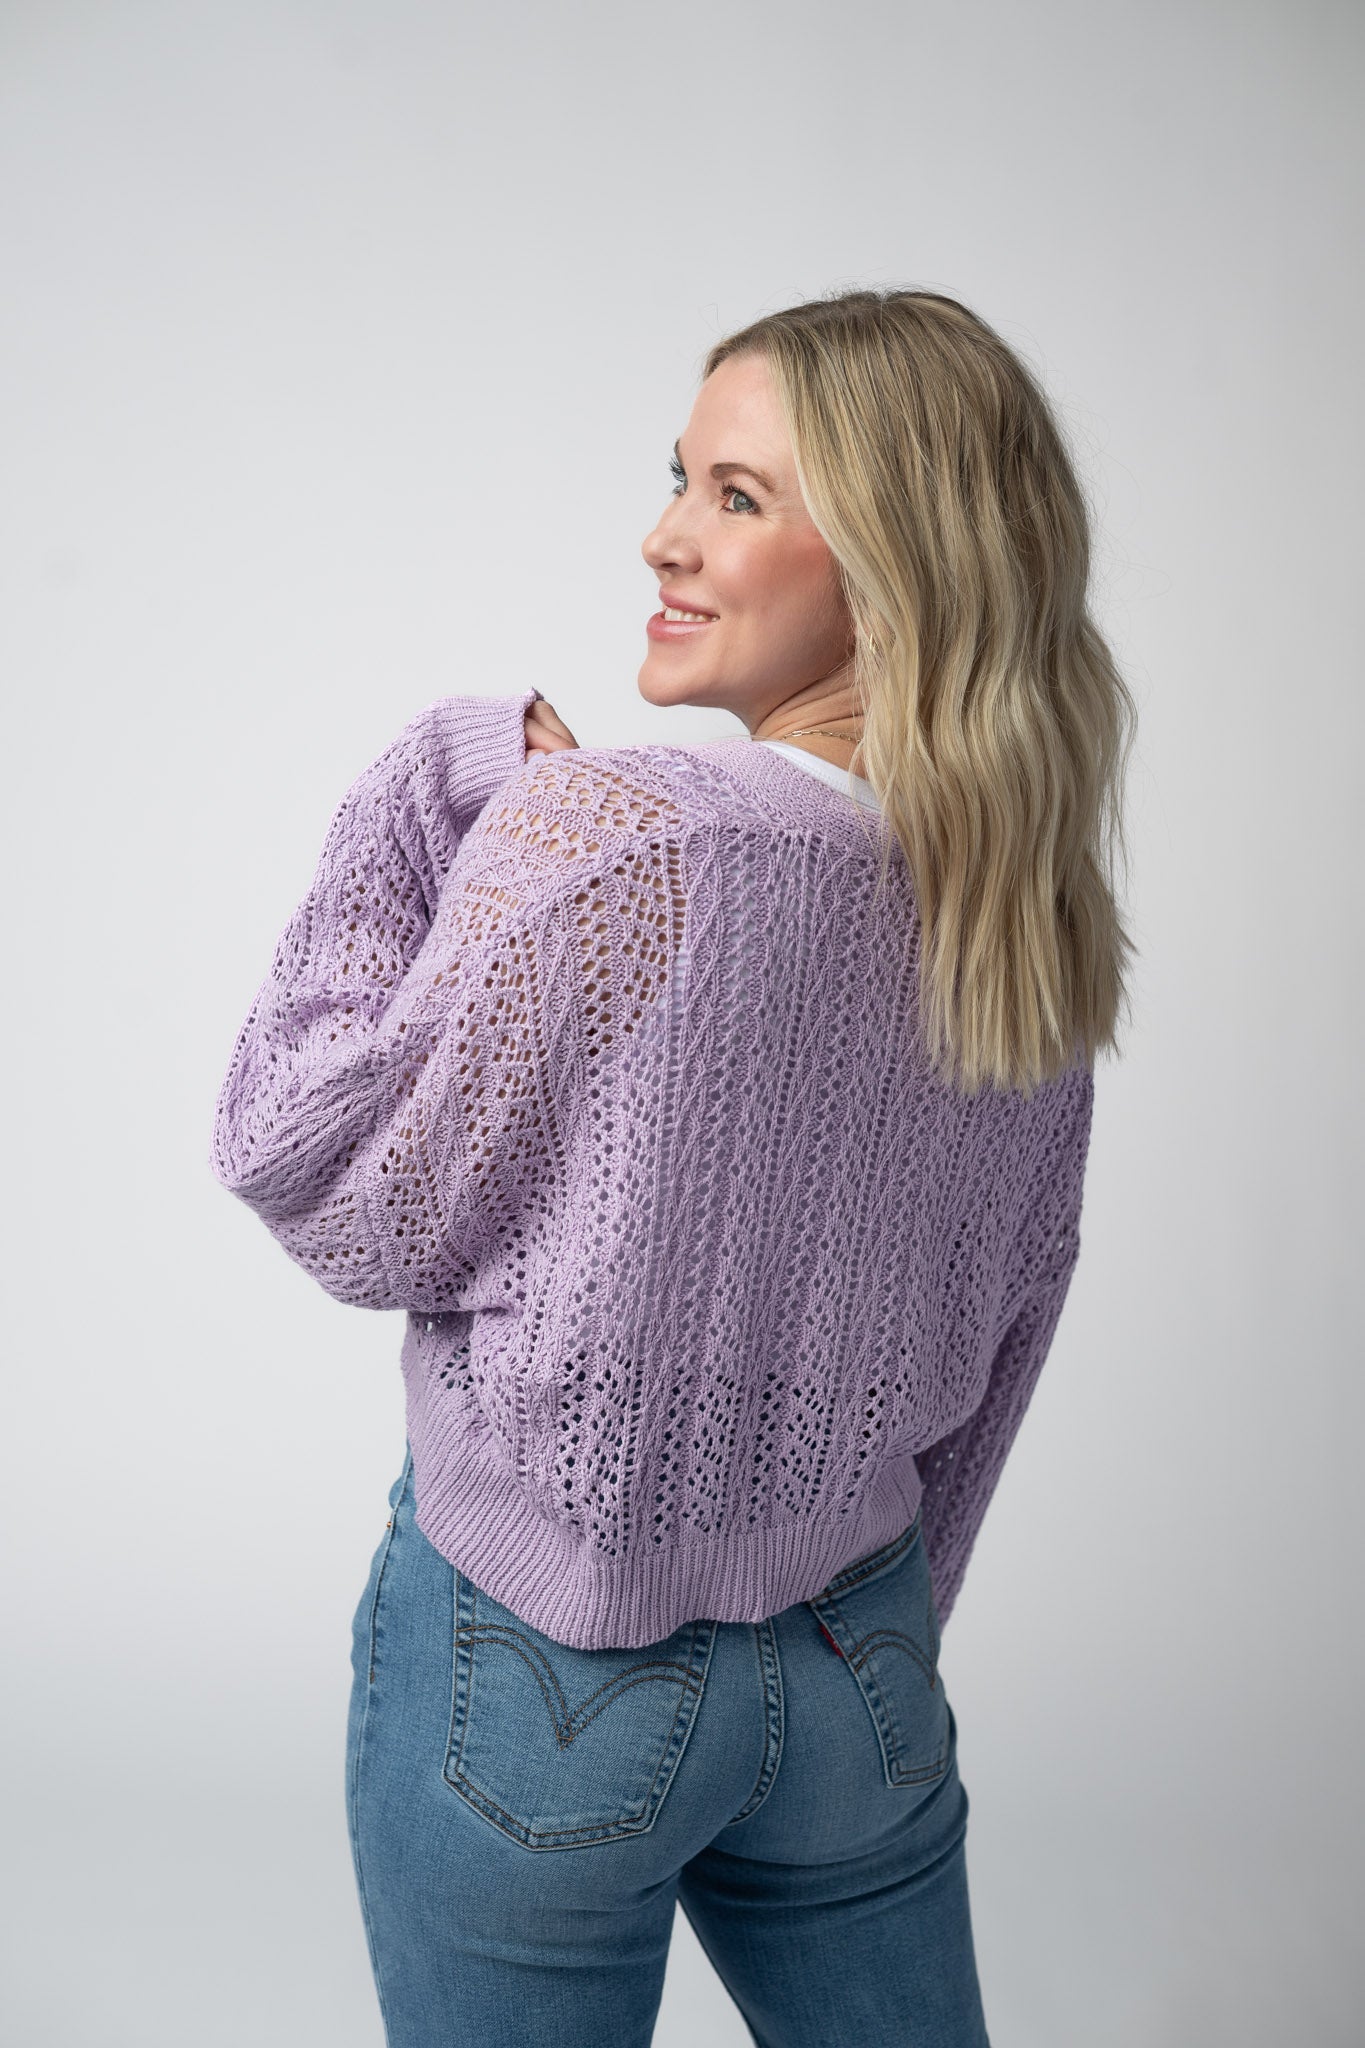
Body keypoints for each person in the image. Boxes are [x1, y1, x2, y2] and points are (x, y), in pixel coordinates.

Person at [210, 287, 1137, 2046]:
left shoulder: (611, 833)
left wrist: (442, 775)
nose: (663, 534)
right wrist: (872, 1636)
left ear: (893, 559)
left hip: (544, 1670)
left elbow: (308, 1161)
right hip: (860, 1663)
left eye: (738, 495)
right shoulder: (1022, 918)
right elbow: (1013, 1326)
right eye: (679, 478)